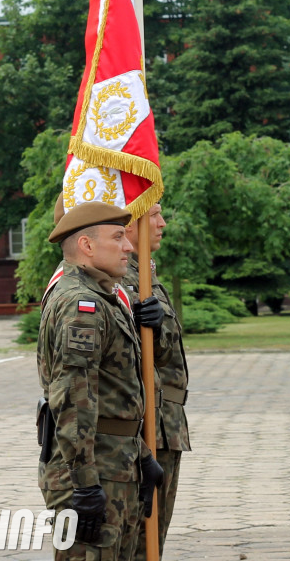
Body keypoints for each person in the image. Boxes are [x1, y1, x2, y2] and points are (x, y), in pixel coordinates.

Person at [37, 201, 163, 561]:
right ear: (87, 246)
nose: (128, 246)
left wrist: (140, 454)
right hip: (93, 472)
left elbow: (114, 393)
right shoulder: (81, 305)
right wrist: (85, 485)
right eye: (118, 237)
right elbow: (74, 399)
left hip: (116, 464)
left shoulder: (102, 299)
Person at [123, 203, 191, 560]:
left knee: (152, 539)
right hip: (149, 424)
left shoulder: (144, 272)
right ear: (129, 222)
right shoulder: (123, 280)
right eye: (153, 216)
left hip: (166, 423)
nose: (161, 223)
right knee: (140, 541)